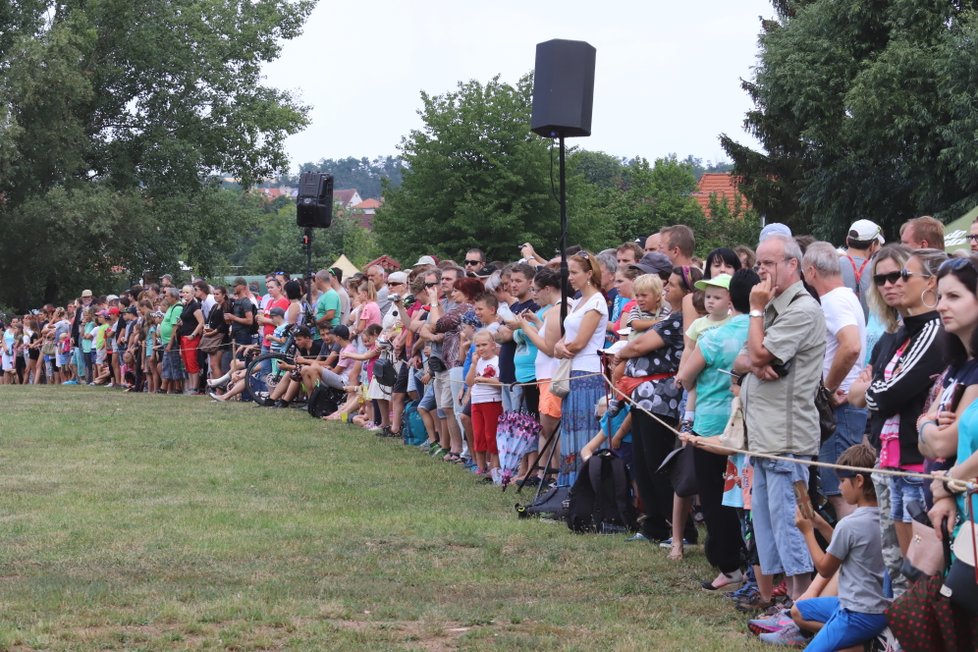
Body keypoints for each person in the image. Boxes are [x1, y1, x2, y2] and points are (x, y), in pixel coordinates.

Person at [733, 232, 826, 606]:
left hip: (788, 440)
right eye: (758, 264)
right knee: (768, 525)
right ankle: (779, 600)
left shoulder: (802, 308)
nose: (761, 272)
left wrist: (755, 317)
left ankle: (800, 604)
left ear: (793, 265)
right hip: (763, 438)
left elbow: (757, 354)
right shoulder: (774, 306)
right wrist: (757, 362)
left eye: (768, 264)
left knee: (794, 524)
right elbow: (741, 359)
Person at [848, 246, 947, 598]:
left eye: (902, 275)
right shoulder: (898, 333)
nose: (894, 284)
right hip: (888, 456)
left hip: (912, 460)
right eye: (884, 279)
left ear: (929, 283)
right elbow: (862, 395)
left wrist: (872, 390)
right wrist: (874, 391)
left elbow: (882, 394)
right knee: (899, 564)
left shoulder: (933, 330)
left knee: (918, 568)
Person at [677, 269, 761, 589]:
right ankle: (755, 564)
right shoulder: (763, 332)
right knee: (748, 497)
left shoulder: (713, 337)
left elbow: (686, 376)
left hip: (712, 425)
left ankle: (729, 567)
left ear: (730, 300)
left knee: (716, 498)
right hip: (751, 424)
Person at [614, 265, 696, 554]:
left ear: (687, 293)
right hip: (643, 397)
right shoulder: (672, 318)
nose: (667, 289)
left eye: (672, 285)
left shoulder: (678, 322)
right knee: (643, 462)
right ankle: (654, 525)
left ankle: (682, 530)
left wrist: (622, 352)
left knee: (658, 463)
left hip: (660, 400)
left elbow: (639, 346)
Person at [781, 444, 889, 651]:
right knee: (799, 610)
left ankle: (864, 644)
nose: (839, 487)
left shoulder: (850, 524)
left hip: (857, 613)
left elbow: (825, 568)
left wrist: (807, 532)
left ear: (858, 481)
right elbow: (845, 547)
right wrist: (821, 525)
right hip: (877, 609)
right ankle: (866, 643)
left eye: (841, 481)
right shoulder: (885, 517)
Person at [802, 241, 868, 519]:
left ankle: (851, 562)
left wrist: (828, 387)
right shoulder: (846, 295)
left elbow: (851, 346)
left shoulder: (830, 301)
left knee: (842, 493)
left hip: (841, 407)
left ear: (811, 271)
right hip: (849, 403)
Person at [553, 251, 608, 486]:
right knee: (572, 427)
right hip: (573, 372)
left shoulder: (596, 302)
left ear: (589, 273)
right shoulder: (577, 302)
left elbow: (579, 342)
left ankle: (587, 483)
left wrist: (563, 347)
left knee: (586, 428)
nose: (570, 278)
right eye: (569, 273)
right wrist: (559, 346)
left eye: (575, 273)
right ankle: (572, 484)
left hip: (588, 372)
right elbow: (565, 340)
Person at [466, 330, 503, 480]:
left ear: (493, 345)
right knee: (478, 434)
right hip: (476, 401)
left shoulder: (497, 361)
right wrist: (473, 365)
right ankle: (481, 467)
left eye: (484, 345)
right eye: (478, 345)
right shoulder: (478, 362)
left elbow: (501, 382)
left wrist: (484, 380)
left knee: (491, 434)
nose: (481, 349)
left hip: (492, 401)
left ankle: (494, 467)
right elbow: (469, 382)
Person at [177, 284, 205, 395]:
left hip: (191, 338)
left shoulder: (195, 305)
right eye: (183, 292)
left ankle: (194, 387)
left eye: (187, 292)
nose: (185, 294)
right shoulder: (186, 305)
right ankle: (190, 386)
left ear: (193, 293)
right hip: (183, 337)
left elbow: (201, 322)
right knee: (187, 363)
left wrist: (193, 335)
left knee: (192, 362)